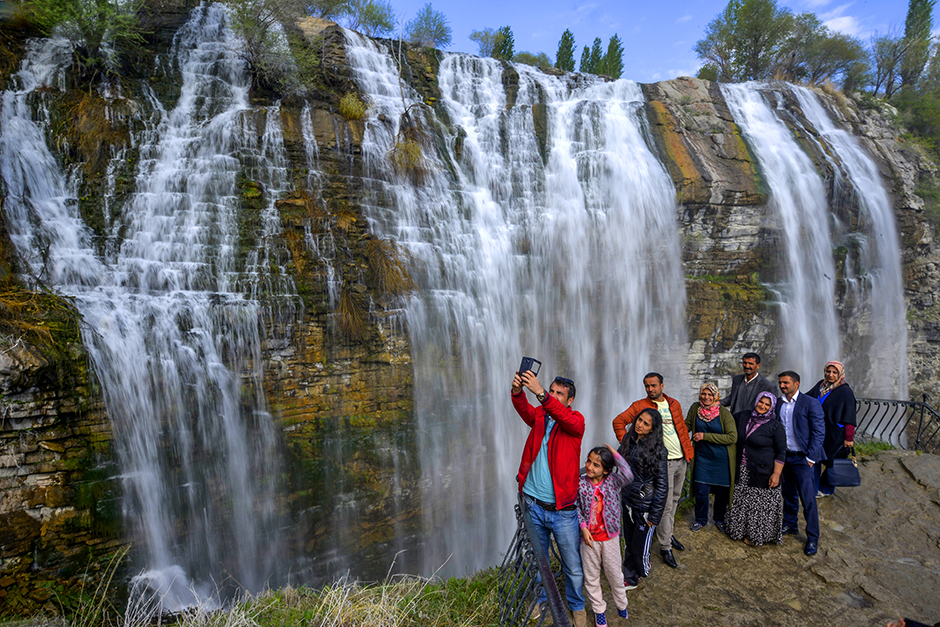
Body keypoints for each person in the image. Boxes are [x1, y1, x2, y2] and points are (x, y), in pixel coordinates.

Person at [511, 370, 587, 627]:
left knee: (572, 565)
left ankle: (577, 606)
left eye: (559, 394)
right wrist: (518, 391)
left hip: (562, 510)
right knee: (539, 559)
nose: (553, 396)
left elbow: (566, 419)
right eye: (551, 391)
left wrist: (542, 394)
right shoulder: (541, 416)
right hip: (533, 504)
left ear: (569, 401)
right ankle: (541, 600)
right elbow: (524, 411)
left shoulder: (576, 421)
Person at [613, 372, 692, 569]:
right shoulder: (640, 406)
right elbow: (618, 422)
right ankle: (665, 547)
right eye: (647, 386)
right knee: (664, 504)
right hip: (662, 463)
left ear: (662, 386)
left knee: (673, 501)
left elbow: (680, 428)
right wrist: (631, 447)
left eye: (654, 385)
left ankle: (668, 533)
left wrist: (687, 452)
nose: (650, 389)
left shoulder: (673, 403)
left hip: (680, 458)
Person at [577, 444, 634, 626]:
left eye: (596, 465)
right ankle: (599, 610)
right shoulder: (581, 483)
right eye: (588, 461)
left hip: (610, 538)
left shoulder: (613, 481)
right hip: (589, 540)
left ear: (606, 470)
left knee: (615, 575)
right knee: (591, 577)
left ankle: (621, 604)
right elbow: (575, 506)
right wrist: (583, 527)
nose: (589, 467)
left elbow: (628, 474)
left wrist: (615, 454)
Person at [726, 391, 786, 546]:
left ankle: (756, 536)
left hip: (763, 472)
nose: (763, 406)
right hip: (743, 469)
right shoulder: (743, 416)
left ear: (772, 407)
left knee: (759, 506)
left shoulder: (775, 426)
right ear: (756, 401)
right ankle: (738, 531)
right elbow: (725, 422)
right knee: (741, 501)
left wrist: (776, 474)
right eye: (761, 402)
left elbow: (781, 452)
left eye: (767, 404)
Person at [617, 408, 668, 590]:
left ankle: (637, 575)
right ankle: (630, 573)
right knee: (629, 541)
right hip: (628, 501)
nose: (640, 425)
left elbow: (662, 485)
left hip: (644, 506)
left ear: (652, 429)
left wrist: (654, 516)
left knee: (639, 547)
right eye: (639, 420)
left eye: (646, 424)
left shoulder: (659, 451)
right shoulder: (628, 440)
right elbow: (618, 461)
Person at [776, 371, 826, 556]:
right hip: (785, 456)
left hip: (803, 459)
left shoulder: (810, 403)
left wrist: (811, 458)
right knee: (788, 493)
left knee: (808, 499)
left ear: (797, 384)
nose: (782, 386)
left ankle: (813, 537)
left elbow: (819, 431)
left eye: (786, 383)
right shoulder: (779, 403)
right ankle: (790, 524)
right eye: (780, 382)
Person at [685, 383, 737, 533]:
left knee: (721, 493)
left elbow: (732, 437)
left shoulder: (724, 413)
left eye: (710, 394)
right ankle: (700, 519)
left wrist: (705, 436)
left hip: (722, 460)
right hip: (702, 458)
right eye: (703, 394)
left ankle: (719, 519)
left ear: (716, 396)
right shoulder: (696, 408)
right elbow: (686, 425)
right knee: (701, 491)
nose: (706, 397)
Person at [807, 361, 857, 497]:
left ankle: (826, 488)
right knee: (814, 458)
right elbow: (807, 398)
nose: (831, 375)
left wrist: (849, 438)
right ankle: (812, 488)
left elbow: (850, 416)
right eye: (828, 371)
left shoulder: (845, 391)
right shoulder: (820, 386)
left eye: (834, 372)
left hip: (835, 433)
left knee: (833, 462)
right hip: (818, 431)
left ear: (840, 374)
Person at [721, 352, 777, 418]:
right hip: (734, 420)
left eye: (750, 364)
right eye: (745, 363)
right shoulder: (737, 379)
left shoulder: (768, 386)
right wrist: (715, 403)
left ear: (758, 366)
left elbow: (772, 411)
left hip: (753, 423)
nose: (747, 366)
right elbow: (732, 397)